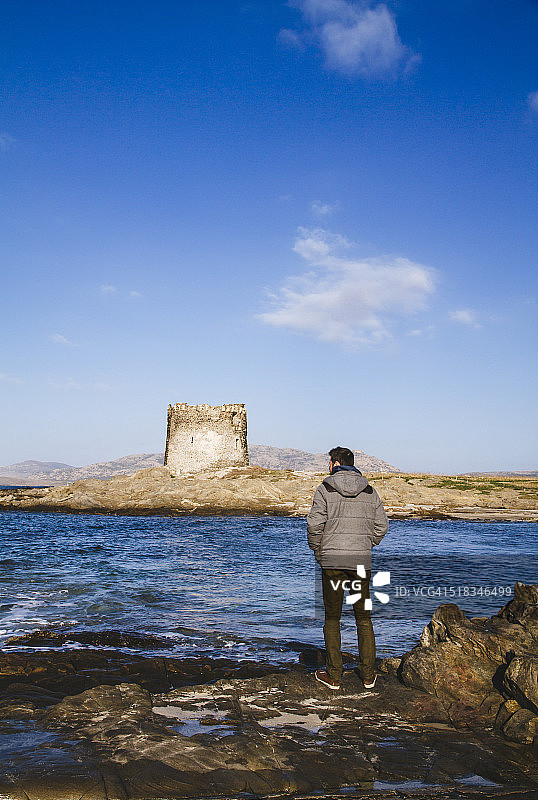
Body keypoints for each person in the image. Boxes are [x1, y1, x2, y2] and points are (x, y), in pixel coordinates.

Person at [307, 446, 389, 691]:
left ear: (335, 463)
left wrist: (318, 551)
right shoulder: (369, 490)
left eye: (329, 462)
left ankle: (334, 674)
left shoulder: (325, 488)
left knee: (332, 619)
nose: (327, 466)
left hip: (331, 562)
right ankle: (367, 675)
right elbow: (382, 526)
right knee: (363, 618)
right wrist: (368, 543)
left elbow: (314, 526)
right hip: (360, 563)